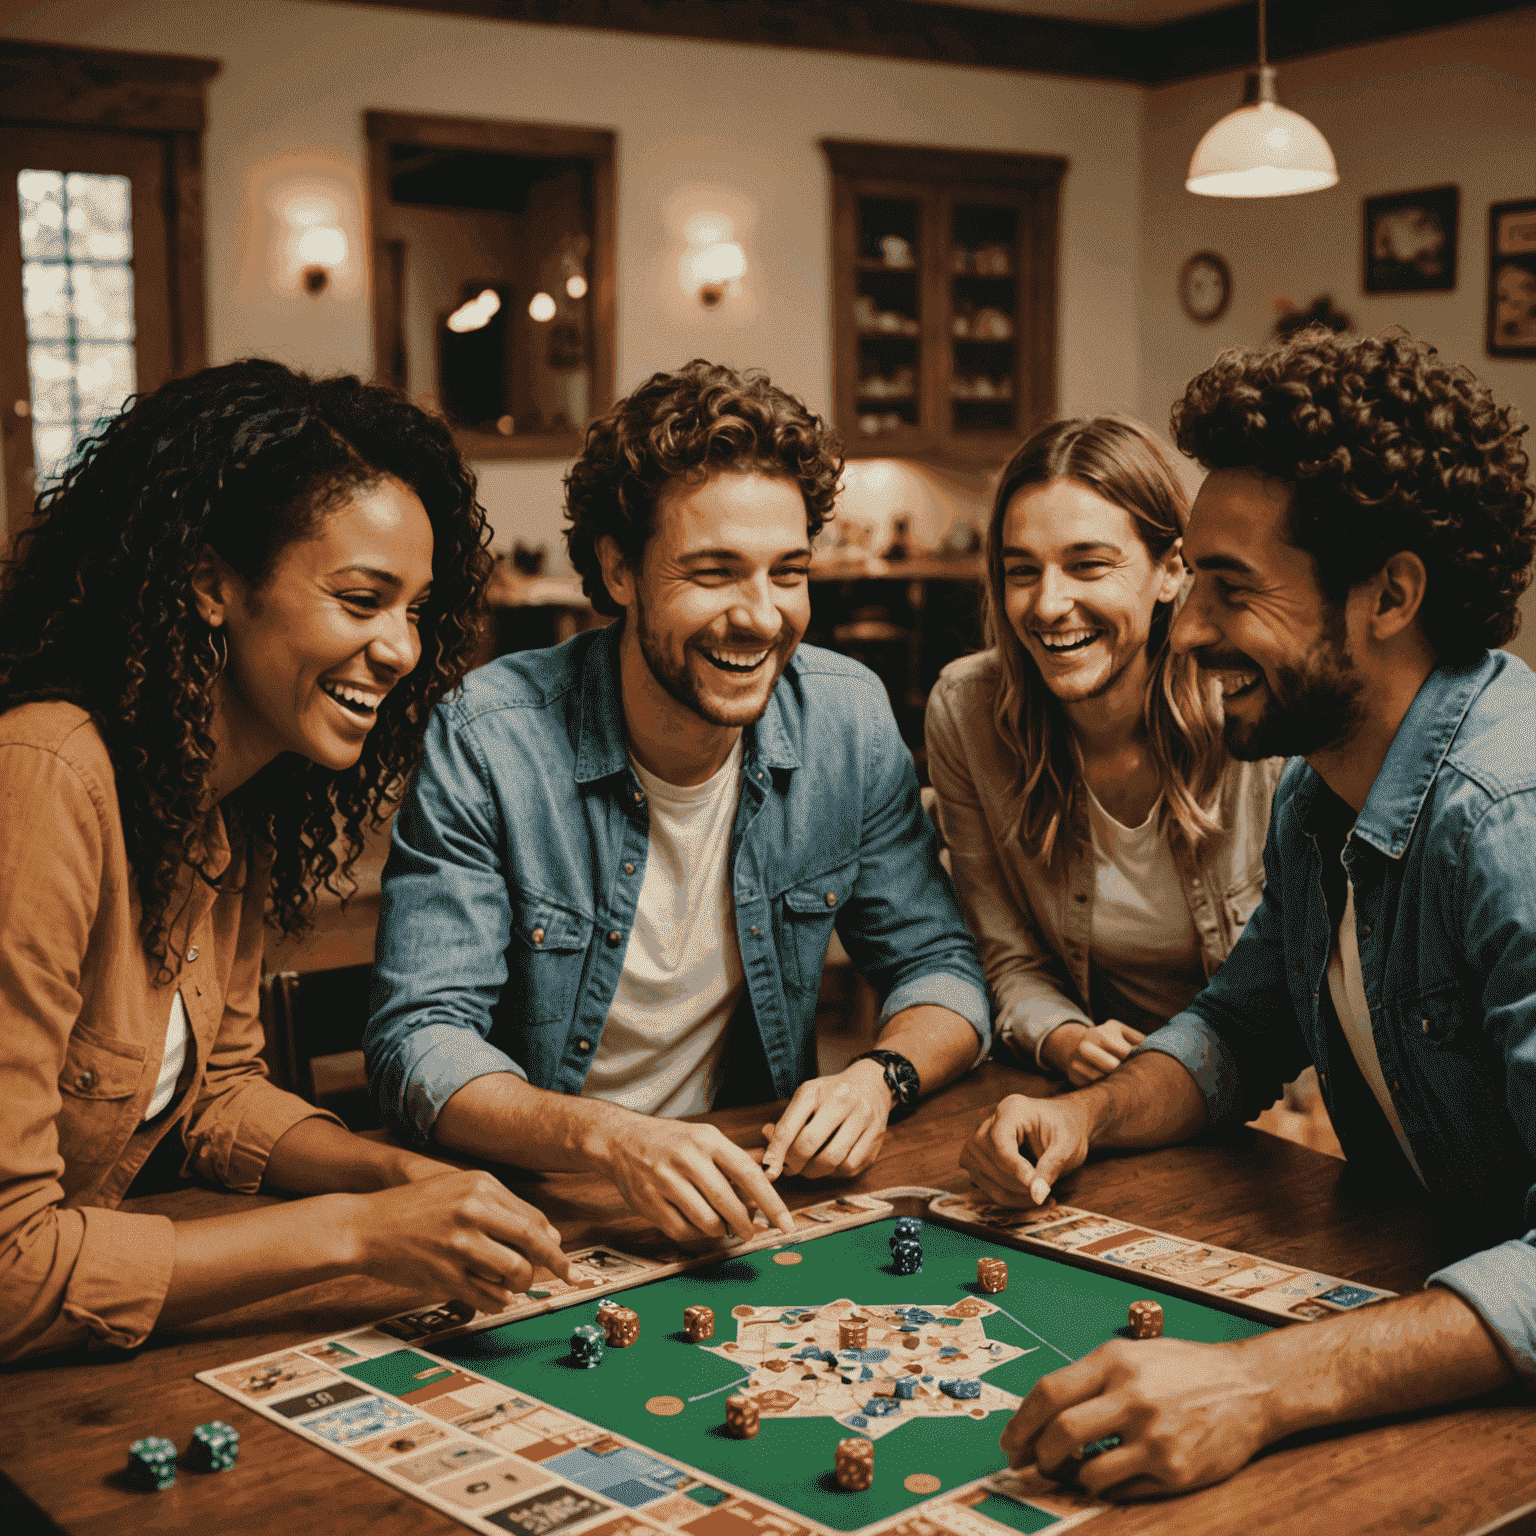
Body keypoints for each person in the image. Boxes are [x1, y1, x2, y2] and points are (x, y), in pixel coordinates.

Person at [962, 329, 1536, 1497]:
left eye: (1232, 588)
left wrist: (1258, 1383)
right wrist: (1086, 1117)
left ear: (1391, 595)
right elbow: (1240, 1025)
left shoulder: (1508, 825)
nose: (1185, 628)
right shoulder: (1323, 790)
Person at [0, 360, 569, 1363]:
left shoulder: (229, 795)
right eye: (362, 599)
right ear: (211, 583)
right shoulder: (46, 776)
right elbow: (8, 1271)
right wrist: (357, 1231)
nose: (402, 650)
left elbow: (217, 1095)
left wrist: (396, 1176)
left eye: (415, 609)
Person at [365, 360, 990, 1244]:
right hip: (536, 1212)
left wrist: (876, 1080)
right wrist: (612, 1138)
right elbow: (420, 1039)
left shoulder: (846, 720)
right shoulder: (490, 739)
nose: (762, 616)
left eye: (788, 573)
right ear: (619, 568)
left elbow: (942, 969)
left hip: (747, 1202)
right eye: (714, 572)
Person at [926, 415, 1282, 1086]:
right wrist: (1063, 1036)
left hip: (1258, 1092)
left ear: (1170, 570)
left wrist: (1171, 1076)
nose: (1048, 604)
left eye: (1088, 565)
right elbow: (1004, 954)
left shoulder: (1253, 715)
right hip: (1088, 1087)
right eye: (1021, 571)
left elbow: (1298, 983)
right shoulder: (967, 712)